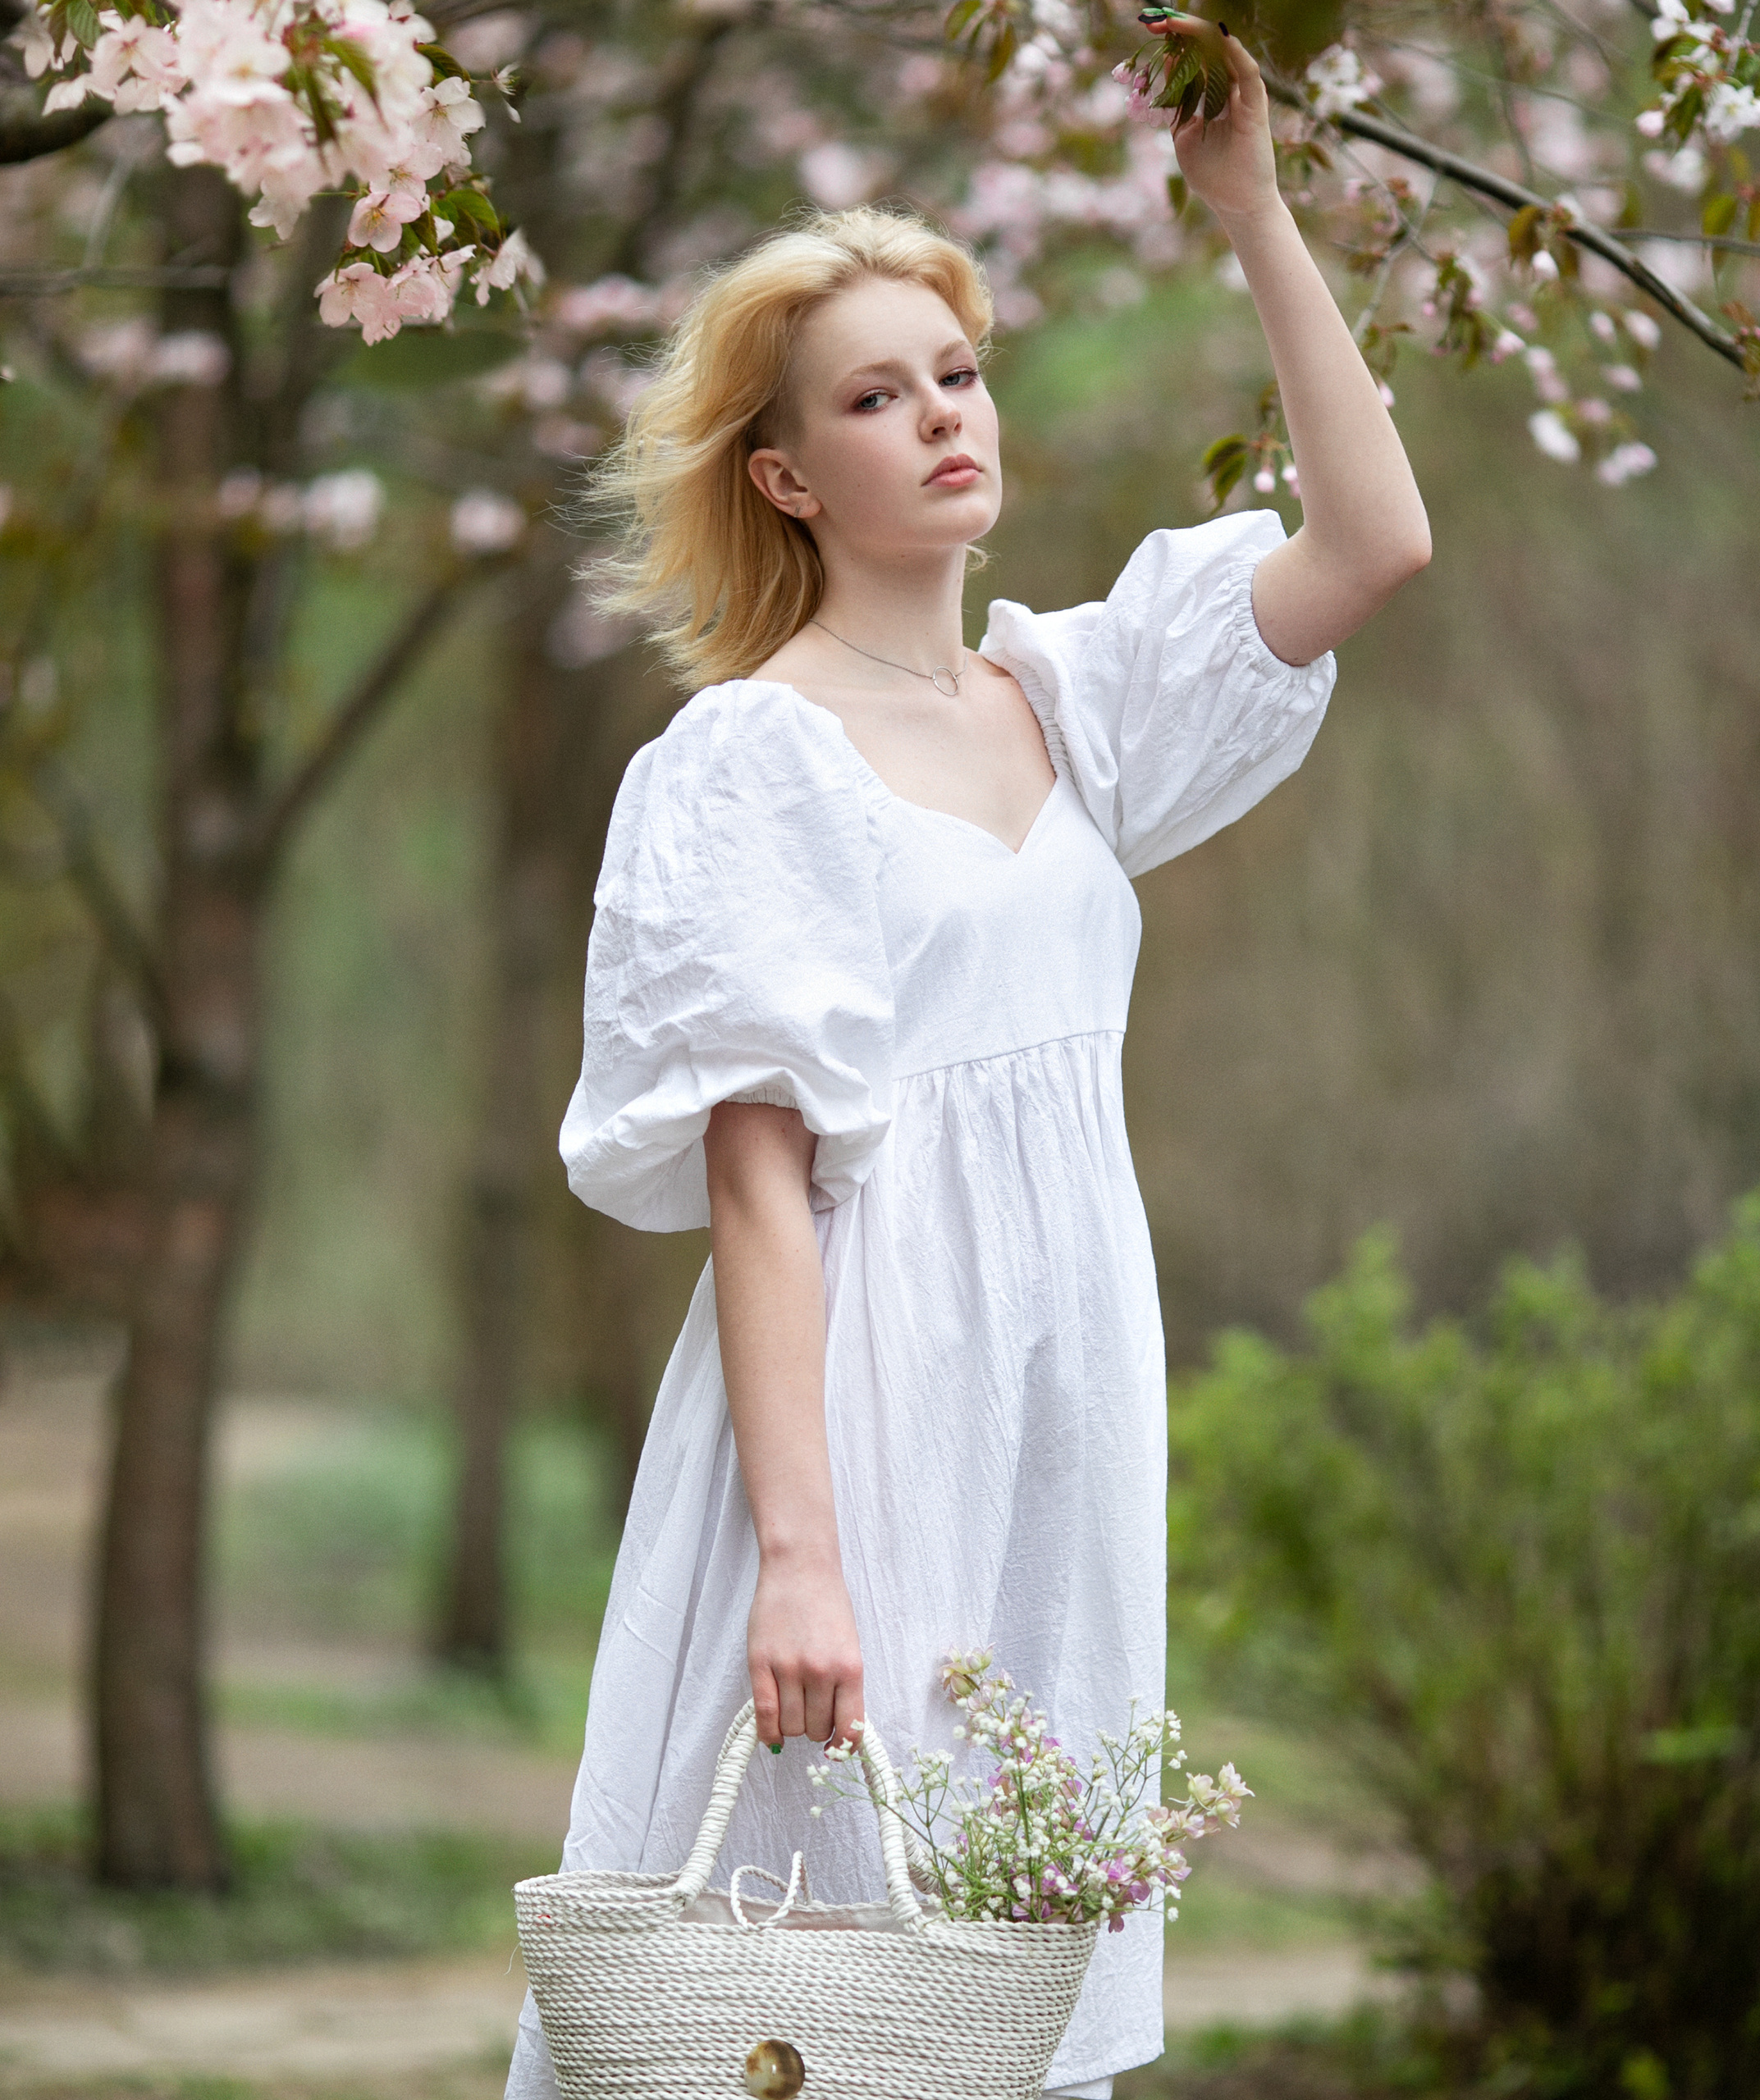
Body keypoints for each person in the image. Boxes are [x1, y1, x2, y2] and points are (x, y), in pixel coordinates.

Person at [505, 30, 1429, 2100]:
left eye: (955, 372)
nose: (937, 414)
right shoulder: (747, 758)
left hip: (1059, 1395)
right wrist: (805, 1553)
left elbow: (1372, 544)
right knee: (797, 1999)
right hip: (855, 1397)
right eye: (871, 393)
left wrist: (1250, 212)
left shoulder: (1074, 700)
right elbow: (758, 1177)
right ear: (783, 475)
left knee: (989, 1986)